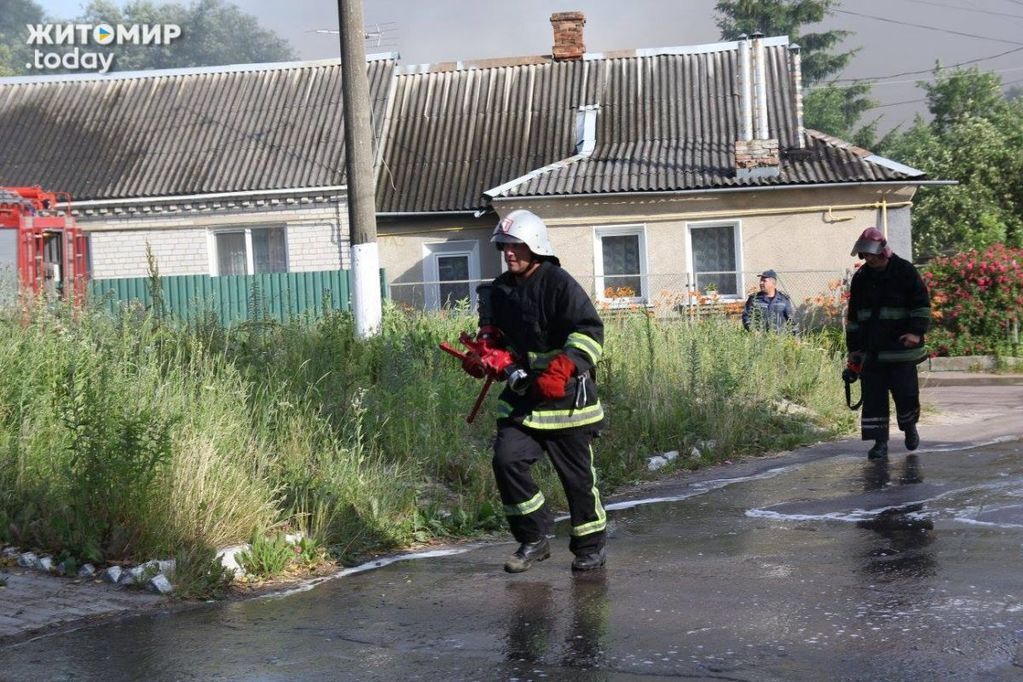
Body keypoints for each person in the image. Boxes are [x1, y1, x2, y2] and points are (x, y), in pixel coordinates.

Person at [468, 208, 607, 574]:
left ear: (535, 246)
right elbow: (495, 339)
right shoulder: (499, 291)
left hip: (567, 402)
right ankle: (534, 539)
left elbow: (590, 332)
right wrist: (485, 359)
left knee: (577, 481)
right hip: (524, 400)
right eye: (504, 246)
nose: (508, 253)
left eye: (516, 246)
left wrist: (564, 366)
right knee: (506, 461)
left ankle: (590, 546)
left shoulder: (559, 283)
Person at [845, 227, 931, 459]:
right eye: (865, 255)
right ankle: (880, 443)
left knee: (906, 395)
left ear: (883, 251)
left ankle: (909, 427)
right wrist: (854, 351)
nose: (868, 259)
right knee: (873, 399)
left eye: (872, 254)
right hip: (871, 352)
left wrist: (915, 332)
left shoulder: (905, 271)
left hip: (900, 351)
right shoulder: (861, 278)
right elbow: (853, 318)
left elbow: (922, 304)